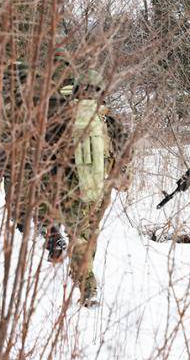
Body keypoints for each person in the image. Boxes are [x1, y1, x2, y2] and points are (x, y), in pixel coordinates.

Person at [39, 50, 131, 307]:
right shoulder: (109, 118)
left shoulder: (63, 116)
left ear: (78, 90)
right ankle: (84, 274)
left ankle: (86, 281)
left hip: (70, 185)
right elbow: (126, 152)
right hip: (101, 185)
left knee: (78, 232)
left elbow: (47, 152)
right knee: (90, 232)